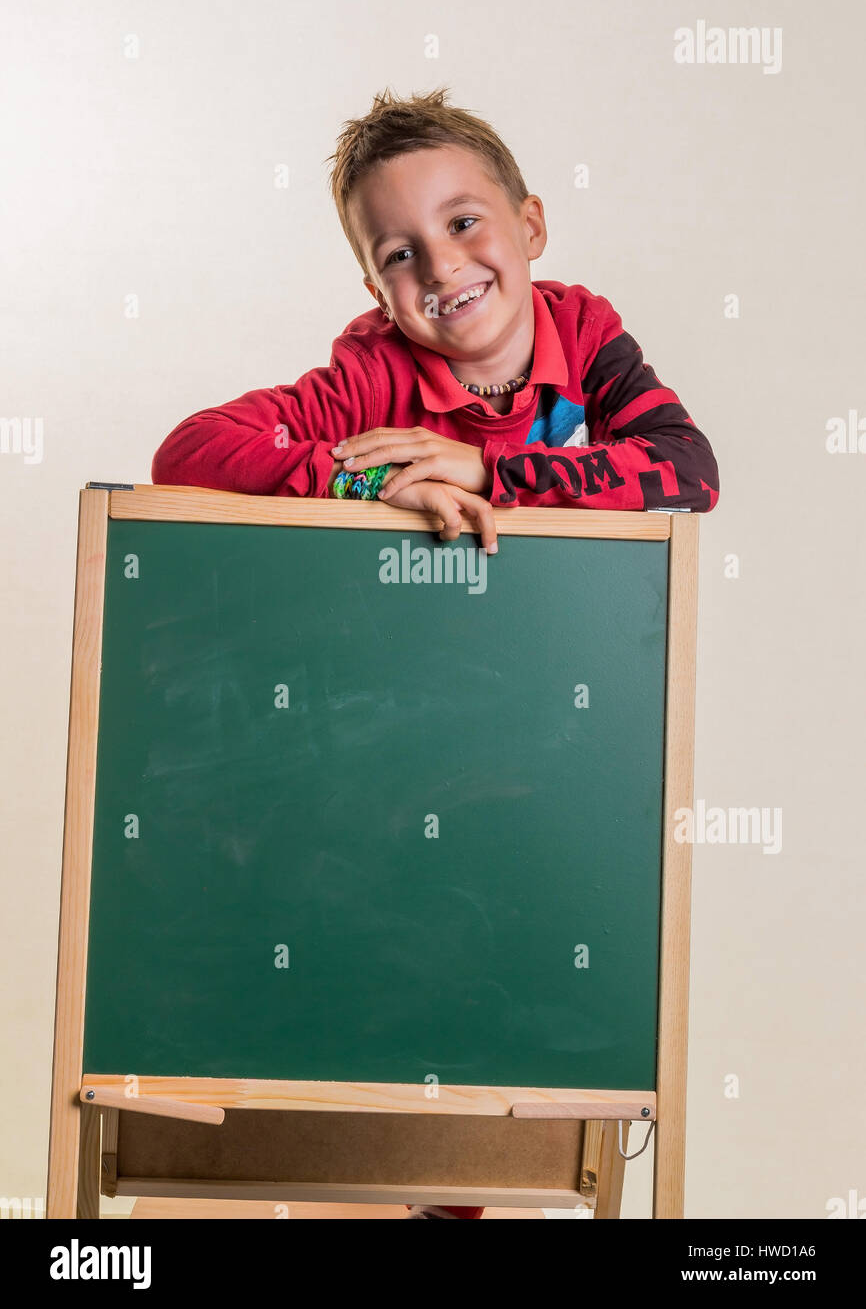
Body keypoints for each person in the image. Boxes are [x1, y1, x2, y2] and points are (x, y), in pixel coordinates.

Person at [151, 86, 720, 1219]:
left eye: (465, 223)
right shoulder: (372, 376)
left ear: (529, 226)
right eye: (398, 251)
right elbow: (189, 450)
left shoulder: (585, 339)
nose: (441, 267)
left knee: (533, 958)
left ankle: (460, 1191)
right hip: (391, 732)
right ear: (373, 285)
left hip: (551, 735)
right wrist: (361, 479)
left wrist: (488, 473)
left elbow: (684, 469)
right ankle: (413, 1183)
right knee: (397, 946)